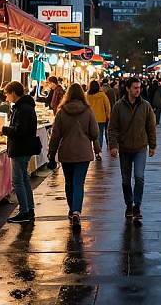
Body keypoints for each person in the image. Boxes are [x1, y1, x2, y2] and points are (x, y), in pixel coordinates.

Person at [48, 83, 101, 227]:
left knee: (69, 182)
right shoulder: (88, 111)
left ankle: (72, 209)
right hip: (83, 153)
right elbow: (95, 133)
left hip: (66, 152)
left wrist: (51, 154)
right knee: (79, 183)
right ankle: (77, 210)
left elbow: (55, 136)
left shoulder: (61, 111)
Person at [108, 77, 156, 220]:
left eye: (139, 88)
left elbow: (150, 127)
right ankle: (129, 204)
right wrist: (113, 146)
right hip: (124, 149)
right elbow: (112, 128)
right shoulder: (118, 106)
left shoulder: (145, 106)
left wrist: (152, 145)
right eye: (135, 88)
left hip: (140, 147)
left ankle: (137, 206)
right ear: (128, 88)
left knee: (139, 177)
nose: (138, 90)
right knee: (125, 180)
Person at [2, 81, 37, 223]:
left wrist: (4, 129)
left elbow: (20, 131)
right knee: (24, 179)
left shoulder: (22, 109)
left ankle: (24, 211)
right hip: (24, 148)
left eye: (7, 94)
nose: (6, 97)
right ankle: (29, 208)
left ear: (14, 93)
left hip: (20, 148)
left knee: (18, 181)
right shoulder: (25, 107)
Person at [86, 80, 111, 160]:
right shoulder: (102, 95)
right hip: (101, 118)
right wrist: (108, 116)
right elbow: (107, 106)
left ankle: (88, 151)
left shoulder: (87, 95)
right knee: (99, 135)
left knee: (89, 135)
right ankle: (98, 152)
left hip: (89, 118)